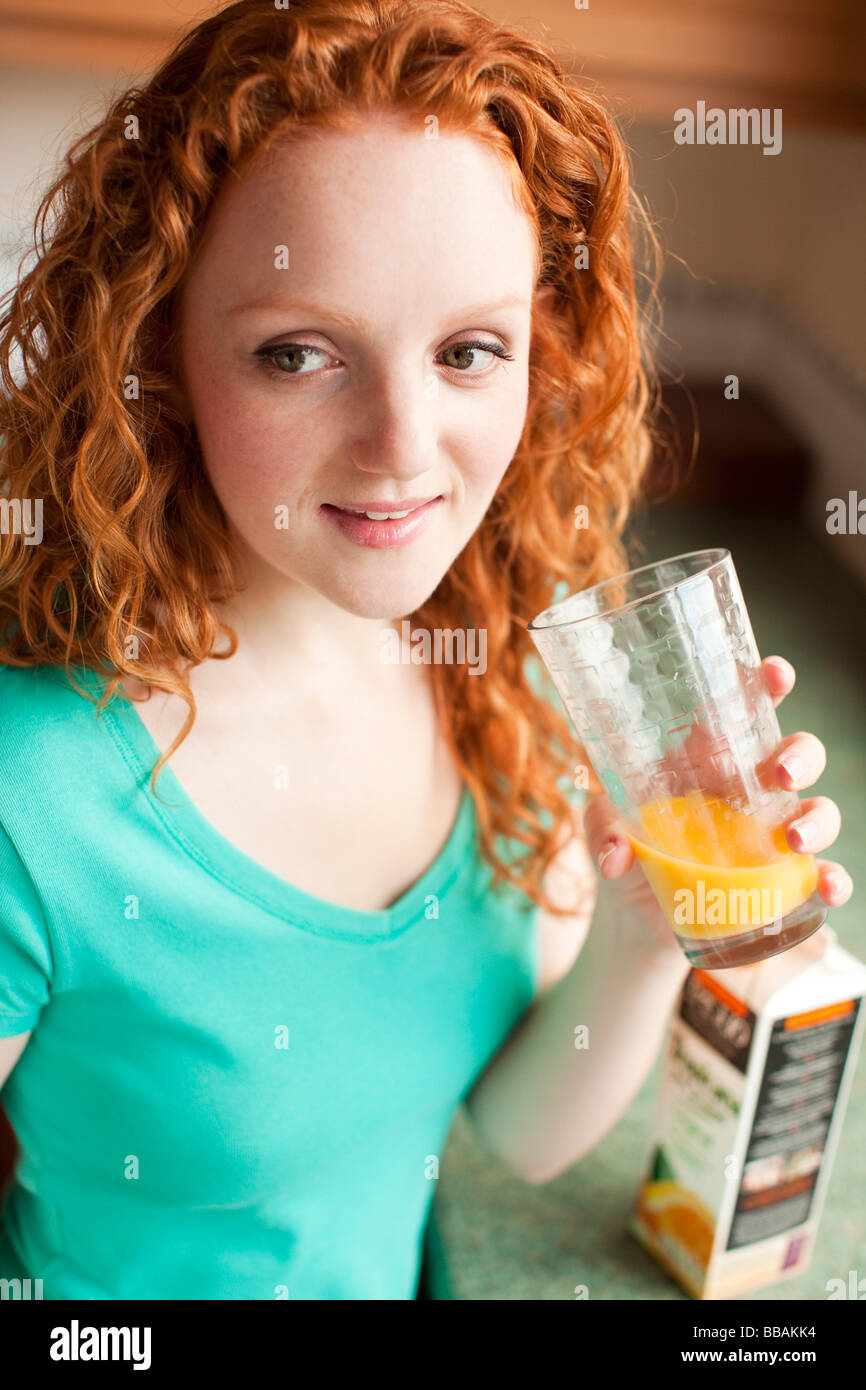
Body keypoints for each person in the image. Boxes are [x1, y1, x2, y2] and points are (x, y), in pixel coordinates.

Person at [0, 0, 851, 1301]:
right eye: (296, 353)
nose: (402, 443)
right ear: (155, 350)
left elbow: (505, 1130)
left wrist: (642, 936)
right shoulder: (33, 796)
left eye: (468, 350)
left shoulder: (504, 669)